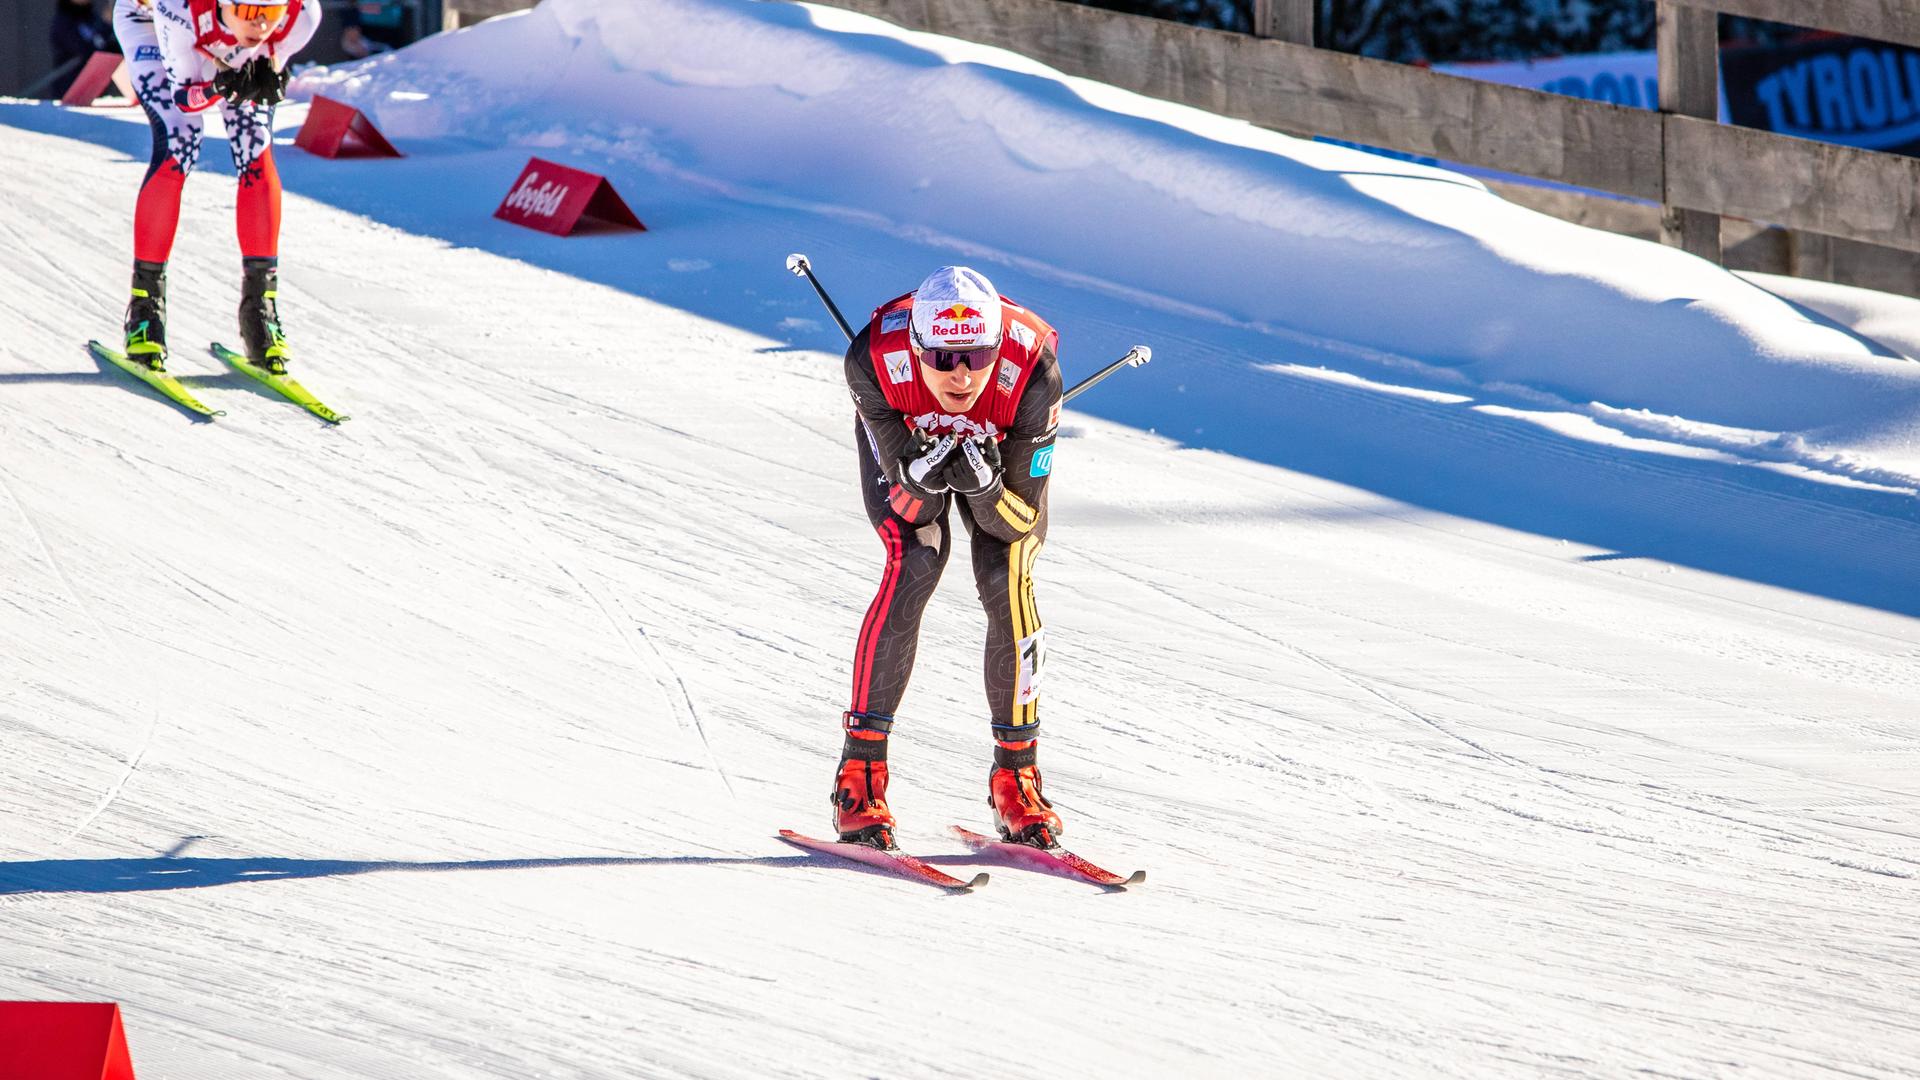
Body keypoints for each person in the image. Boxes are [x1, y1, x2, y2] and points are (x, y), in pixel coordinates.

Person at [834, 266, 1067, 850]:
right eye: (943, 358)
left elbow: (1019, 522)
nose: (962, 376)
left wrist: (987, 487)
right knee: (913, 563)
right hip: (910, 442)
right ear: (916, 348)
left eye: (977, 355)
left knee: (1007, 575)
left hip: (1002, 455)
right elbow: (905, 510)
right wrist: (915, 474)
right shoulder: (872, 359)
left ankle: (1017, 776)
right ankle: (859, 775)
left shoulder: (1033, 369)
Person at [112, 0, 320, 374]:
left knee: (254, 142)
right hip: (154, 20)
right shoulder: (178, 9)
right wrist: (218, 88)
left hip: (213, 31)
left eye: (270, 14)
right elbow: (185, 100)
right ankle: (146, 309)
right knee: (180, 141)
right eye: (249, 13)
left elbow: (268, 59)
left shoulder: (303, 14)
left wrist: (269, 72)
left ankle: (260, 311)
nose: (260, 24)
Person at [49, 0, 120, 100]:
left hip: (95, 90)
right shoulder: (63, 20)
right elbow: (83, 50)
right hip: (68, 88)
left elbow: (112, 46)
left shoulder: (92, 18)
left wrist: (108, 25)